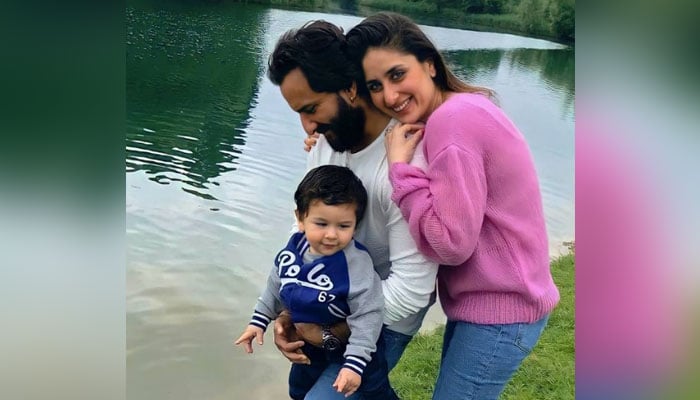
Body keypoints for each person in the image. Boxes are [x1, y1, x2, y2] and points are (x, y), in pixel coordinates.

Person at [339, 12, 561, 399]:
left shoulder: (452, 122)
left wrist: (401, 172)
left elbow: (450, 245)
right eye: (375, 85)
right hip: (497, 303)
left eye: (397, 74)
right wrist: (325, 134)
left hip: (501, 309)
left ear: (429, 63)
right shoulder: (462, 109)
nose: (389, 96)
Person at [266, 21, 439, 399]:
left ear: (349, 87)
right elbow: (304, 230)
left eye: (312, 108)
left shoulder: (408, 159)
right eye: (299, 113)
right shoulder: (324, 143)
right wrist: (288, 307)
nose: (307, 126)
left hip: (387, 314)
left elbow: (412, 289)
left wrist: (327, 325)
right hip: (326, 301)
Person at [235, 165, 398, 400]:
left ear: (355, 225)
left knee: (374, 391)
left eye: (343, 226)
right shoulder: (292, 251)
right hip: (307, 341)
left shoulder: (356, 263)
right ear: (300, 218)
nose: (331, 234)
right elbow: (274, 287)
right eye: (321, 224)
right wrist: (258, 322)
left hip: (352, 343)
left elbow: (368, 314)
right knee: (298, 389)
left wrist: (355, 363)